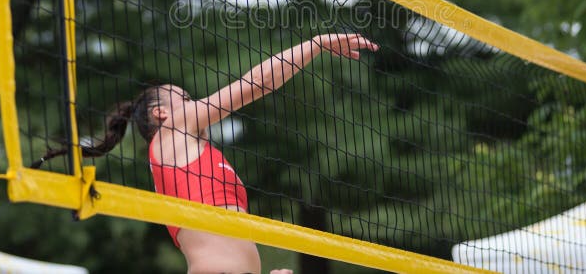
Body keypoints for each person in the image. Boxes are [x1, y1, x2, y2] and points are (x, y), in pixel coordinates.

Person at [36, 33, 378, 274]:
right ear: (161, 114)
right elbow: (256, 84)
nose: (191, 104)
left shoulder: (197, 157)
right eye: (182, 98)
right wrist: (316, 43)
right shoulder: (174, 129)